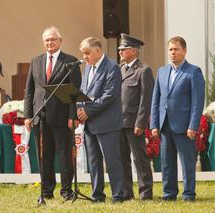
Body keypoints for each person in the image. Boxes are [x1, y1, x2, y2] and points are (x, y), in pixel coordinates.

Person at [23, 26, 81, 200]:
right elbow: (29, 90)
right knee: (45, 156)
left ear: (60, 40)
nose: (49, 43)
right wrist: (28, 115)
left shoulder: (70, 61)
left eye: (53, 39)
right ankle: (47, 191)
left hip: (63, 117)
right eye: (47, 40)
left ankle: (66, 191)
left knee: (64, 155)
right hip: (40, 116)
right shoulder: (36, 61)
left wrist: (73, 116)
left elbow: (74, 92)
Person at [150, 36, 205, 201]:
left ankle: (188, 194)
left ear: (185, 50)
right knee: (167, 163)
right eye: (170, 50)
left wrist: (193, 126)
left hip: (184, 126)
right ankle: (169, 194)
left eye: (176, 49)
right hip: (165, 125)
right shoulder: (162, 71)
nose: (173, 53)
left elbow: (197, 102)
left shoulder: (194, 72)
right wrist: (154, 124)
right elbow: (156, 99)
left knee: (187, 163)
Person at [77, 37, 124, 203]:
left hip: (108, 123)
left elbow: (109, 95)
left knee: (112, 161)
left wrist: (88, 111)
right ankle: (97, 195)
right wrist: (80, 109)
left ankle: (118, 195)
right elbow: (83, 91)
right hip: (90, 124)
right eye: (83, 53)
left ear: (98, 51)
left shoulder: (112, 67)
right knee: (94, 162)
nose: (84, 57)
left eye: (87, 53)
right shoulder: (87, 68)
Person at [118, 33, 154, 201]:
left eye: (123, 49)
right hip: (119, 122)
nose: (120, 52)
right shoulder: (119, 69)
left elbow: (145, 100)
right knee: (122, 159)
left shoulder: (143, 70)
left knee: (140, 159)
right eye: (120, 49)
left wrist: (141, 123)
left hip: (134, 123)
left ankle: (145, 193)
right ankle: (126, 193)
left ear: (133, 51)